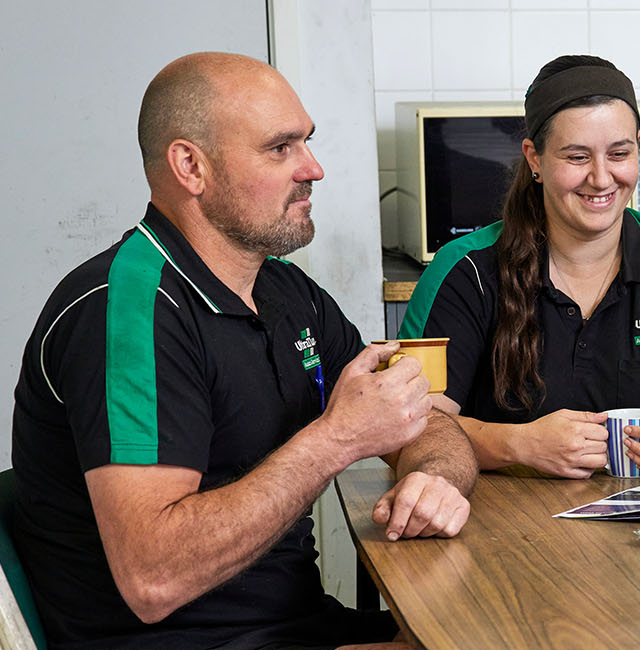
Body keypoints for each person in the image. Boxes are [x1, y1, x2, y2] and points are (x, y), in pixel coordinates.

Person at [9, 52, 479, 649]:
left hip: (297, 627)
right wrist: (337, 439)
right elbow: (154, 578)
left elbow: (419, 418)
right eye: (280, 148)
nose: (313, 168)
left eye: (307, 142)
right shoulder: (125, 313)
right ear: (191, 167)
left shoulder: (286, 291)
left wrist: (434, 478)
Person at [399, 55, 640, 478]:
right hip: (500, 514)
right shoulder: (465, 271)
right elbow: (410, 427)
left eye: (619, 153)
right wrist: (518, 444)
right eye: (578, 157)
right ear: (534, 159)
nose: (601, 178)